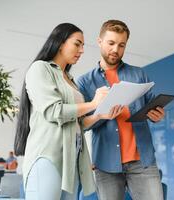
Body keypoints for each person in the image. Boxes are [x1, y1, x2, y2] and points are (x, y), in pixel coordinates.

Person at [13, 23, 114, 200]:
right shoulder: (40, 68)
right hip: (48, 157)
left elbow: (78, 122)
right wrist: (93, 103)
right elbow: (54, 111)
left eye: (82, 46)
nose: (81, 50)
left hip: (71, 160)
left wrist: (99, 114)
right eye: (77, 44)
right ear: (60, 43)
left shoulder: (69, 79)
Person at [76, 20, 165, 200]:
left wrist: (157, 115)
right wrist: (99, 112)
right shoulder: (84, 82)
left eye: (121, 45)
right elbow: (81, 125)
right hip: (106, 163)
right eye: (111, 43)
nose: (116, 49)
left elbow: (150, 106)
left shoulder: (139, 74)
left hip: (143, 161)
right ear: (99, 41)